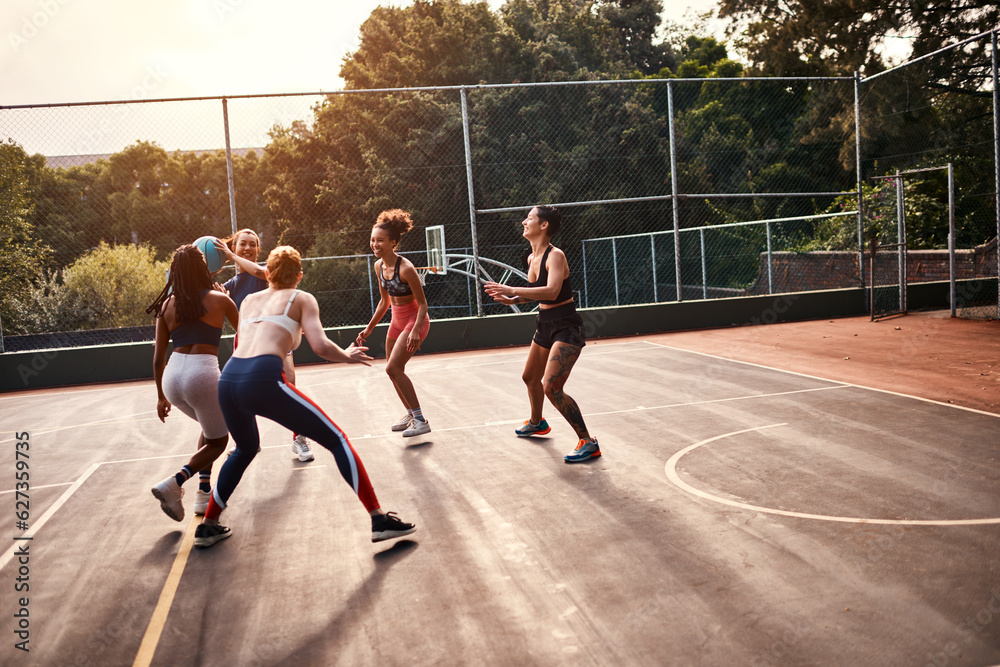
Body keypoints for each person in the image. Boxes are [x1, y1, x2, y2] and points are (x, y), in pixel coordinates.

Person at [195, 245, 416, 548]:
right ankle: (378, 519)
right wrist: (347, 356)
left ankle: (208, 525)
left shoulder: (248, 300)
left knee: (244, 449)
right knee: (337, 439)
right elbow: (321, 346)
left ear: (267, 273)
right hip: (261, 377)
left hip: (229, 379)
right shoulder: (302, 298)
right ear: (299, 275)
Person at [484, 205, 600, 463]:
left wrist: (511, 287)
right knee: (529, 377)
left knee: (551, 386)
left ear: (544, 225)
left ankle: (588, 442)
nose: (524, 221)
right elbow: (537, 293)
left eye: (530, 218)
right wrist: (512, 298)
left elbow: (551, 291)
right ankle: (538, 422)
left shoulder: (555, 255)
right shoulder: (531, 257)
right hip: (545, 324)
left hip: (566, 326)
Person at [147, 244, 240, 520]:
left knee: (208, 427)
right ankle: (174, 483)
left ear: (175, 273)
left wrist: (161, 397)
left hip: (172, 378)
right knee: (220, 441)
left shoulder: (167, 305)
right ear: (203, 268)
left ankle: (203, 492)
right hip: (203, 374)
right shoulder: (219, 300)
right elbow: (246, 334)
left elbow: (157, 359)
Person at [214, 230, 314, 463]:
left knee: (289, 383)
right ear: (236, 247)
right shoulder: (231, 285)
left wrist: (228, 254)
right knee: (240, 395)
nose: (247, 248)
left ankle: (299, 439)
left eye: (252, 245)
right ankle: (247, 442)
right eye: (242, 245)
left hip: (276, 339)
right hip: (249, 343)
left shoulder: (265, 272)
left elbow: (258, 270)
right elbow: (237, 323)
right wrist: (226, 302)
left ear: (259, 250)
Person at [355, 209, 432, 438]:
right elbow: (384, 301)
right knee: (393, 371)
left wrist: (416, 330)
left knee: (392, 368)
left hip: (414, 320)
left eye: (380, 240)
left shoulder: (406, 269)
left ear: (393, 242)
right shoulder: (378, 266)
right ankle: (410, 414)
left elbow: (423, 305)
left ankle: (420, 420)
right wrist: (368, 329)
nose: (375, 244)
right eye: (372, 240)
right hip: (396, 322)